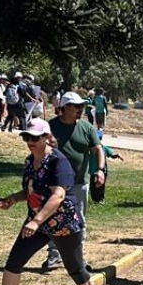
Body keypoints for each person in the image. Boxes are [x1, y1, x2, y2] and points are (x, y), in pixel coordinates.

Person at [0, 118, 106, 285]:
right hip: (37, 221)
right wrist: (11, 200)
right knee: (14, 261)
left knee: (76, 268)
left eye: (35, 137)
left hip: (63, 223)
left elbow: (58, 196)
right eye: (26, 137)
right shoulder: (30, 161)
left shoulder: (59, 162)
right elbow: (31, 191)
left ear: (47, 138)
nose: (30, 141)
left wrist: (35, 221)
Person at [42, 92, 106, 270]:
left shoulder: (86, 127)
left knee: (79, 221)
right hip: (54, 184)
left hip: (79, 183)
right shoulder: (50, 127)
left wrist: (100, 170)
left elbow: (98, 150)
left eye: (82, 106)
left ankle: (78, 258)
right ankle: (54, 255)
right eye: (77, 106)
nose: (81, 110)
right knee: (52, 218)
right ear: (64, 108)